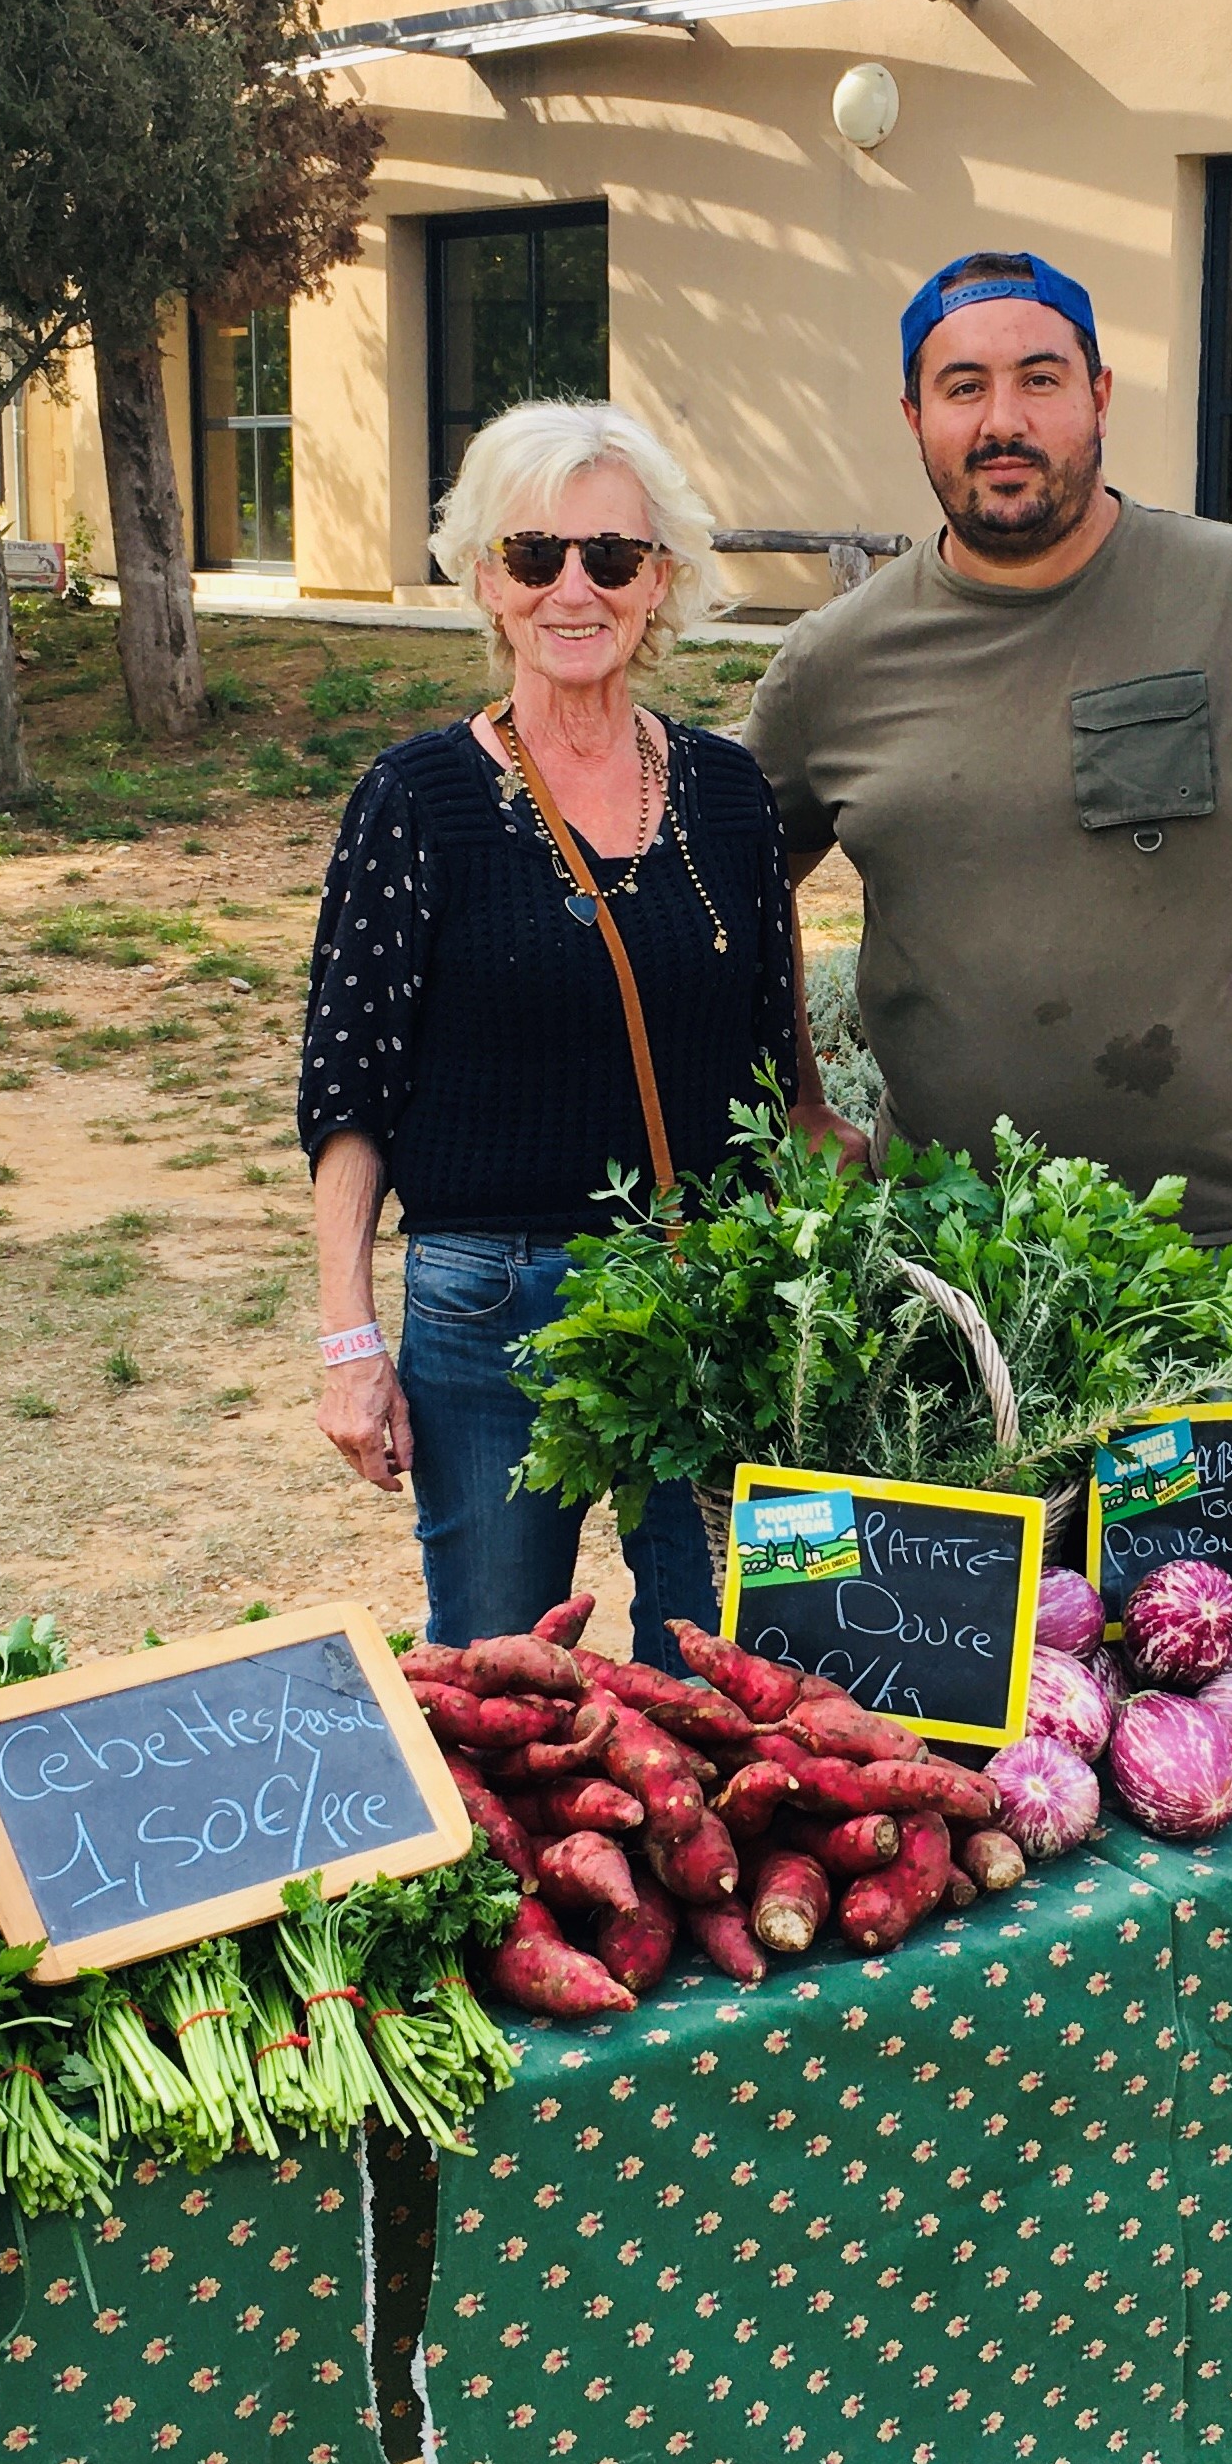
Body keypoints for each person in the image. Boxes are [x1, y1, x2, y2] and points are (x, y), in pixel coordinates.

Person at [743, 250, 1232, 1443]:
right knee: (1003, 1618)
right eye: (962, 388)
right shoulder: (832, 665)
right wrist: (803, 1104)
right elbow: (732, 897)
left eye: (1040, 379)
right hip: (954, 1275)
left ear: (1101, 396)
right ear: (915, 419)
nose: (1003, 421)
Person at [298, 399, 836, 1660]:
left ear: (662, 582)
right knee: (499, 1666)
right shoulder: (417, 799)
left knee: (732, 1667)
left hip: (706, 1291)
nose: (573, 588)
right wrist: (347, 1342)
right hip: (488, 1300)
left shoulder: (726, 791)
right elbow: (350, 1091)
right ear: (488, 580)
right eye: (536, 556)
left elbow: (774, 1045)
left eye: (613, 556)